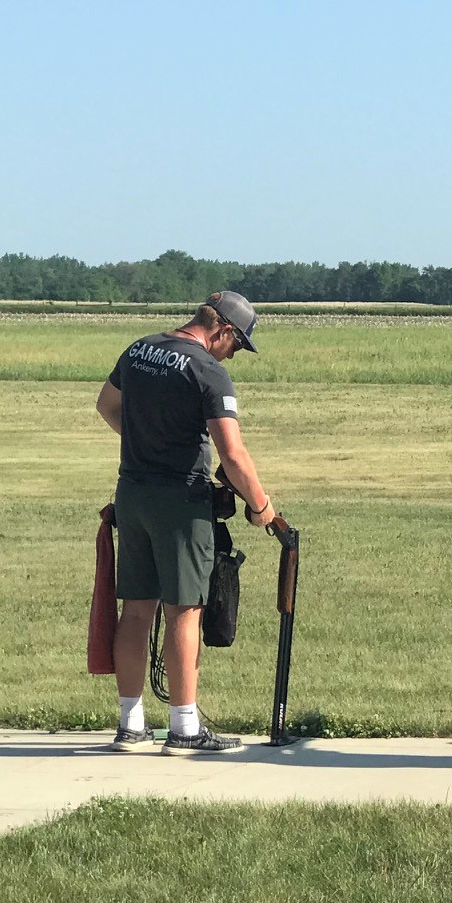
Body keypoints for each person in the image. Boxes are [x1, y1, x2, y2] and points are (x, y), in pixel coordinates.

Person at [94, 291, 279, 754]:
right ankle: (184, 727)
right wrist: (261, 506)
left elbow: (106, 406)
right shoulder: (208, 371)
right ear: (223, 331)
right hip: (180, 498)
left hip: (132, 491)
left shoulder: (138, 350)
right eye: (237, 345)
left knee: (136, 608)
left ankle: (130, 722)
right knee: (184, 608)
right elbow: (233, 455)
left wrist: (145, 439)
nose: (234, 354)